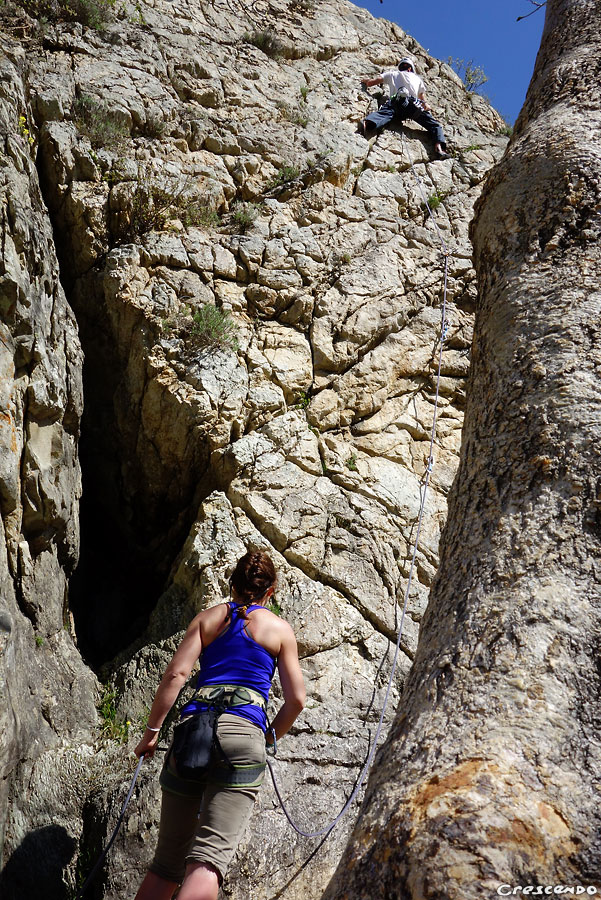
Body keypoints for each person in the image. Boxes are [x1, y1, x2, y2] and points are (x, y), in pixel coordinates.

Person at [133, 550, 306, 900]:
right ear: (270, 591)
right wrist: (268, 736)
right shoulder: (280, 630)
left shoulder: (207, 619)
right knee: (208, 861)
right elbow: (296, 700)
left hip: (193, 731)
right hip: (244, 735)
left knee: (166, 864)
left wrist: (150, 735)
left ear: (232, 584)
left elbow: (177, 675)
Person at [358, 56, 450, 159]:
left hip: (396, 103)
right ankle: (439, 148)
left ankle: (367, 123)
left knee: (385, 113)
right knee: (435, 125)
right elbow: (423, 100)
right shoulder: (417, 79)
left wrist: (366, 81)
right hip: (413, 107)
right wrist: (426, 106)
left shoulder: (392, 74)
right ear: (410, 69)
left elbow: (373, 82)